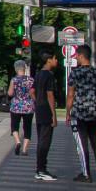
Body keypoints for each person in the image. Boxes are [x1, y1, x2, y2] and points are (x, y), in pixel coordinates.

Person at [67, 45, 96, 183]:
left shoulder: (75, 73)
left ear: (81, 56)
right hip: (95, 113)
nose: (76, 58)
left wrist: (68, 112)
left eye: (77, 56)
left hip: (79, 113)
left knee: (82, 145)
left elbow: (71, 95)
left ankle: (86, 174)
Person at [34, 53, 61, 181]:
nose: (57, 61)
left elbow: (32, 91)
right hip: (46, 110)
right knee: (45, 141)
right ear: (49, 60)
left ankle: (39, 169)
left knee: (41, 140)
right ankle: (41, 170)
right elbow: (50, 94)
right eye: (55, 58)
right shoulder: (49, 75)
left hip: (39, 109)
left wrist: (38, 101)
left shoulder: (38, 74)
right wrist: (54, 115)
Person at [6, 59, 34, 157]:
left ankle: (18, 141)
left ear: (15, 69)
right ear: (24, 68)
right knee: (27, 128)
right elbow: (33, 93)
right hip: (28, 107)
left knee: (14, 126)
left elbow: (10, 93)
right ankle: (25, 150)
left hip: (16, 106)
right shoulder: (31, 80)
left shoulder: (14, 80)